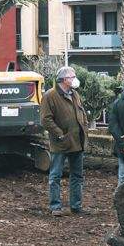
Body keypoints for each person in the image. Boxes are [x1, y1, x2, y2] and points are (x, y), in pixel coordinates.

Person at [41, 65, 89, 215]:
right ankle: (55, 207)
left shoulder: (75, 94)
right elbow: (45, 119)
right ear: (63, 79)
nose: (75, 79)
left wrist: (84, 129)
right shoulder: (50, 96)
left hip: (77, 142)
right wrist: (60, 134)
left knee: (77, 175)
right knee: (55, 175)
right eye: (72, 77)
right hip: (60, 143)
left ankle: (76, 206)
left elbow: (81, 114)